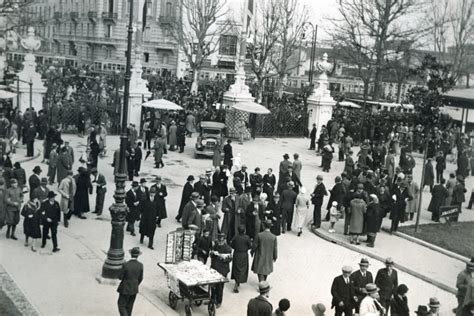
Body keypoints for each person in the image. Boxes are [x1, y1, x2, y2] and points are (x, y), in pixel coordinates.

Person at [117, 247, 143, 316]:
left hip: (125, 288)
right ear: (138, 256)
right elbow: (140, 278)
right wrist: (135, 284)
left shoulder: (126, 265)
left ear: (131, 254)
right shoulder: (140, 265)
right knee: (129, 306)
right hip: (134, 288)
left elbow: (120, 277)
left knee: (121, 305)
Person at [210, 233, 232, 308]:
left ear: (224, 240)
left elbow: (229, 259)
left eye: (221, 241)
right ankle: (212, 299)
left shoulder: (227, 248)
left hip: (223, 270)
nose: (220, 242)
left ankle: (219, 301)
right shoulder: (215, 246)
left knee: (220, 286)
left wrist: (223, 257)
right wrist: (212, 253)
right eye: (219, 241)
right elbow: (212, 256)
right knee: (213, 285)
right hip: (214, 268)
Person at [230, 225, 252, 293]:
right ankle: (238, 281)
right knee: (242, 268)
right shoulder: (247, 237)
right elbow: (250, 246)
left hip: (236, 253)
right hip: (244, 254)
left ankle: (237, 282)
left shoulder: (235, 237)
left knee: (236, 268)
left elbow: (232, 245)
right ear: (244, 230)